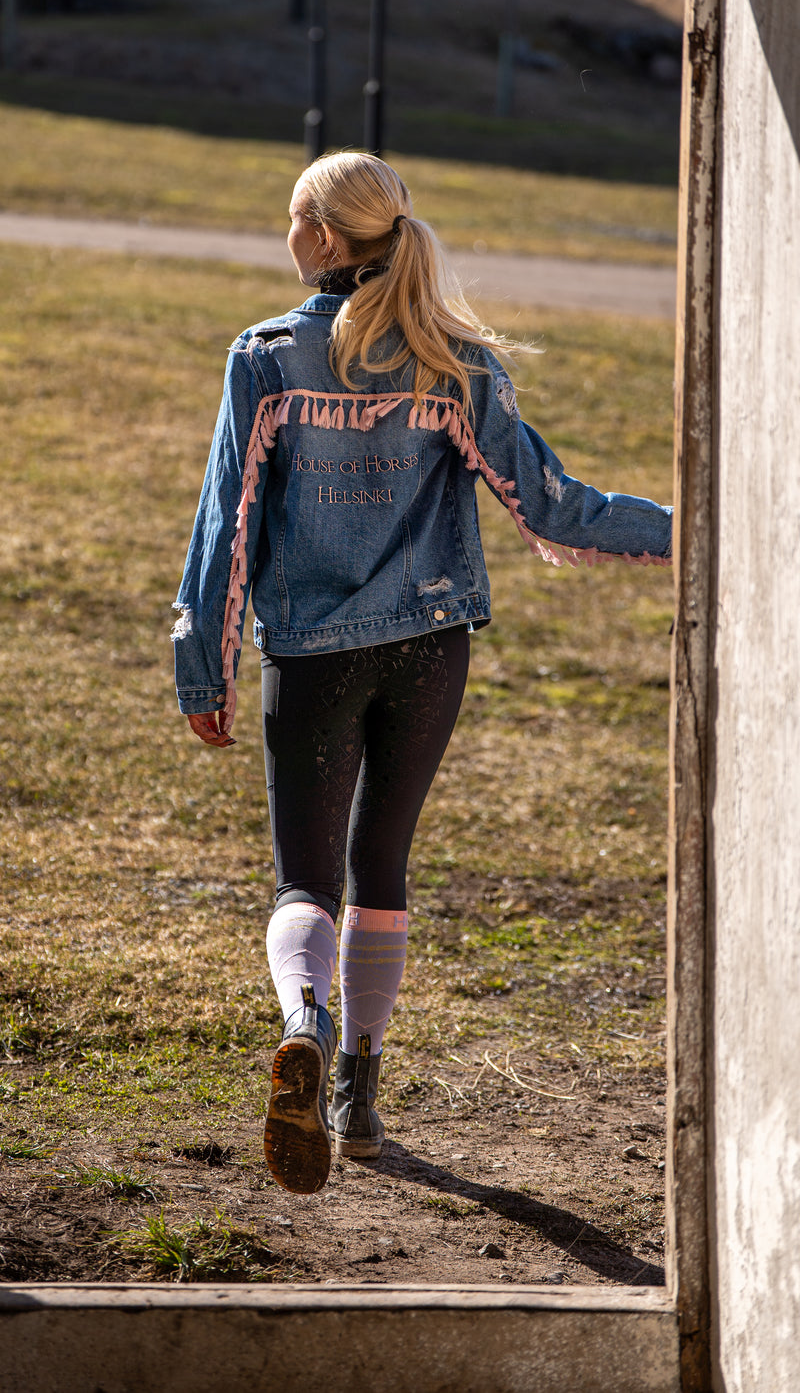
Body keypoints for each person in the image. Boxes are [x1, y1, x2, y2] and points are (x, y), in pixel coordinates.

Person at [171, 151, 672, 1196]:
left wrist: (202, 671)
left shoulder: (263, 360)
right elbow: (553, 509)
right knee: (381, 866)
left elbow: (229, 523)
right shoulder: (455, 362)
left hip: (310, 651)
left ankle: (301, 1027)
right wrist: (701, 526)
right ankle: (355, 1094)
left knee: (304, 879)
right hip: (432, 646)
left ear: (318, 235)